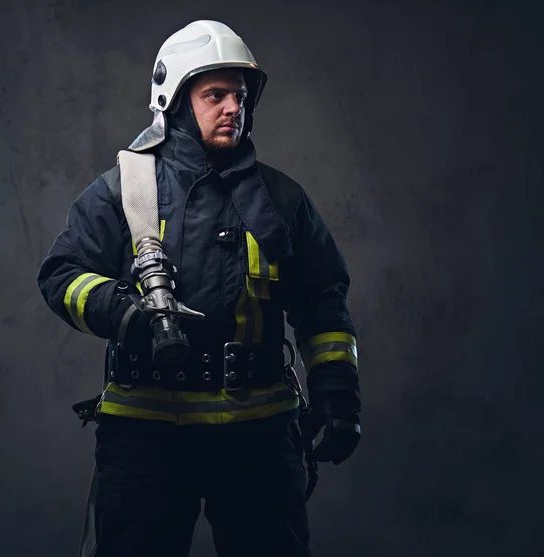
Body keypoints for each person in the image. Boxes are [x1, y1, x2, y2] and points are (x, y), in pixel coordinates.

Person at [37, 20, 361, 557]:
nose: (233, 107)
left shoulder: (281, 200)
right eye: (216, 95)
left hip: (259, 439)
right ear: (175, 99)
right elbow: (60, 274)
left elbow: (323, 299)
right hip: (145, 439)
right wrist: (125, 312)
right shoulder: (123, 189)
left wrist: (338, 394)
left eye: (239, 94)